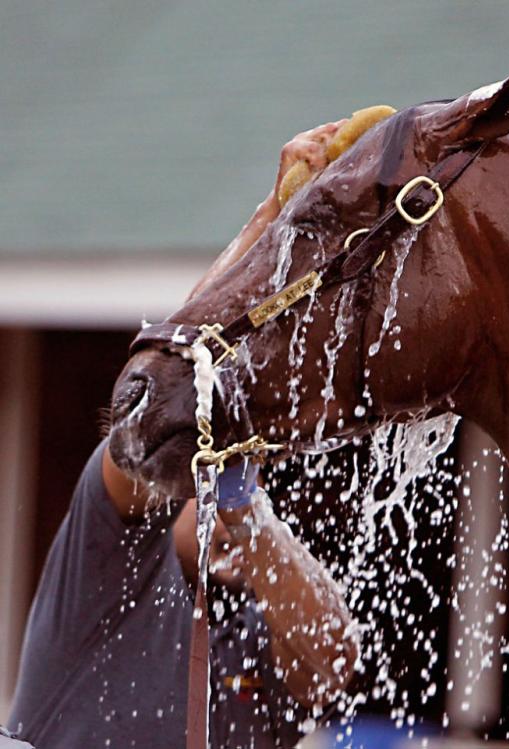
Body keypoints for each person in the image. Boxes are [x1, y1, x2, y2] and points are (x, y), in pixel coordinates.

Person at [6, 123, 358, 749]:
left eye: (243, 476)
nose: (219, 504)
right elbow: (150, 413)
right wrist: (268, 222)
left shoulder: (258, 632)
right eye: (207, 479)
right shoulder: (107, 572)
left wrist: (251, 519)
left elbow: (335, 654)